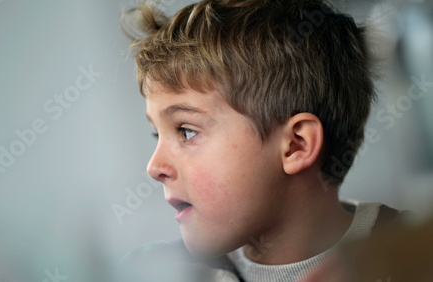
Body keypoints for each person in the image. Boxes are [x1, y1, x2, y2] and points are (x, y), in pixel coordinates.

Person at [120, 0, 404, 281]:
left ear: (296, 145)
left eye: (187, 131)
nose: (154, 167)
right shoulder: (159, 273)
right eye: (158, 134)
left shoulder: (412, 254)